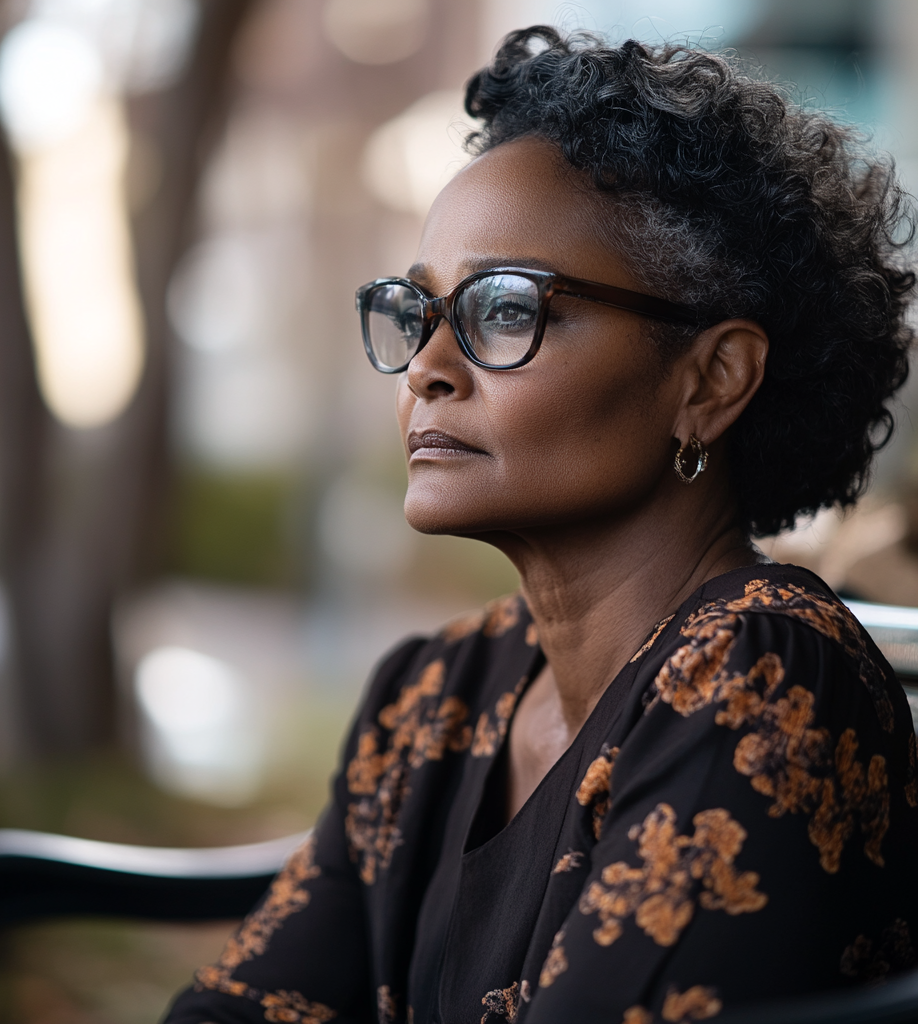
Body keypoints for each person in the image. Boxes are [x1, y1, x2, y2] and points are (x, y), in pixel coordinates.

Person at [166, 28, 918, 1024]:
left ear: (710, 380)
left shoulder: (761, 673)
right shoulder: (432, 697)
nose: (428, 365)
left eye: (505, 308)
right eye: (416, 309)